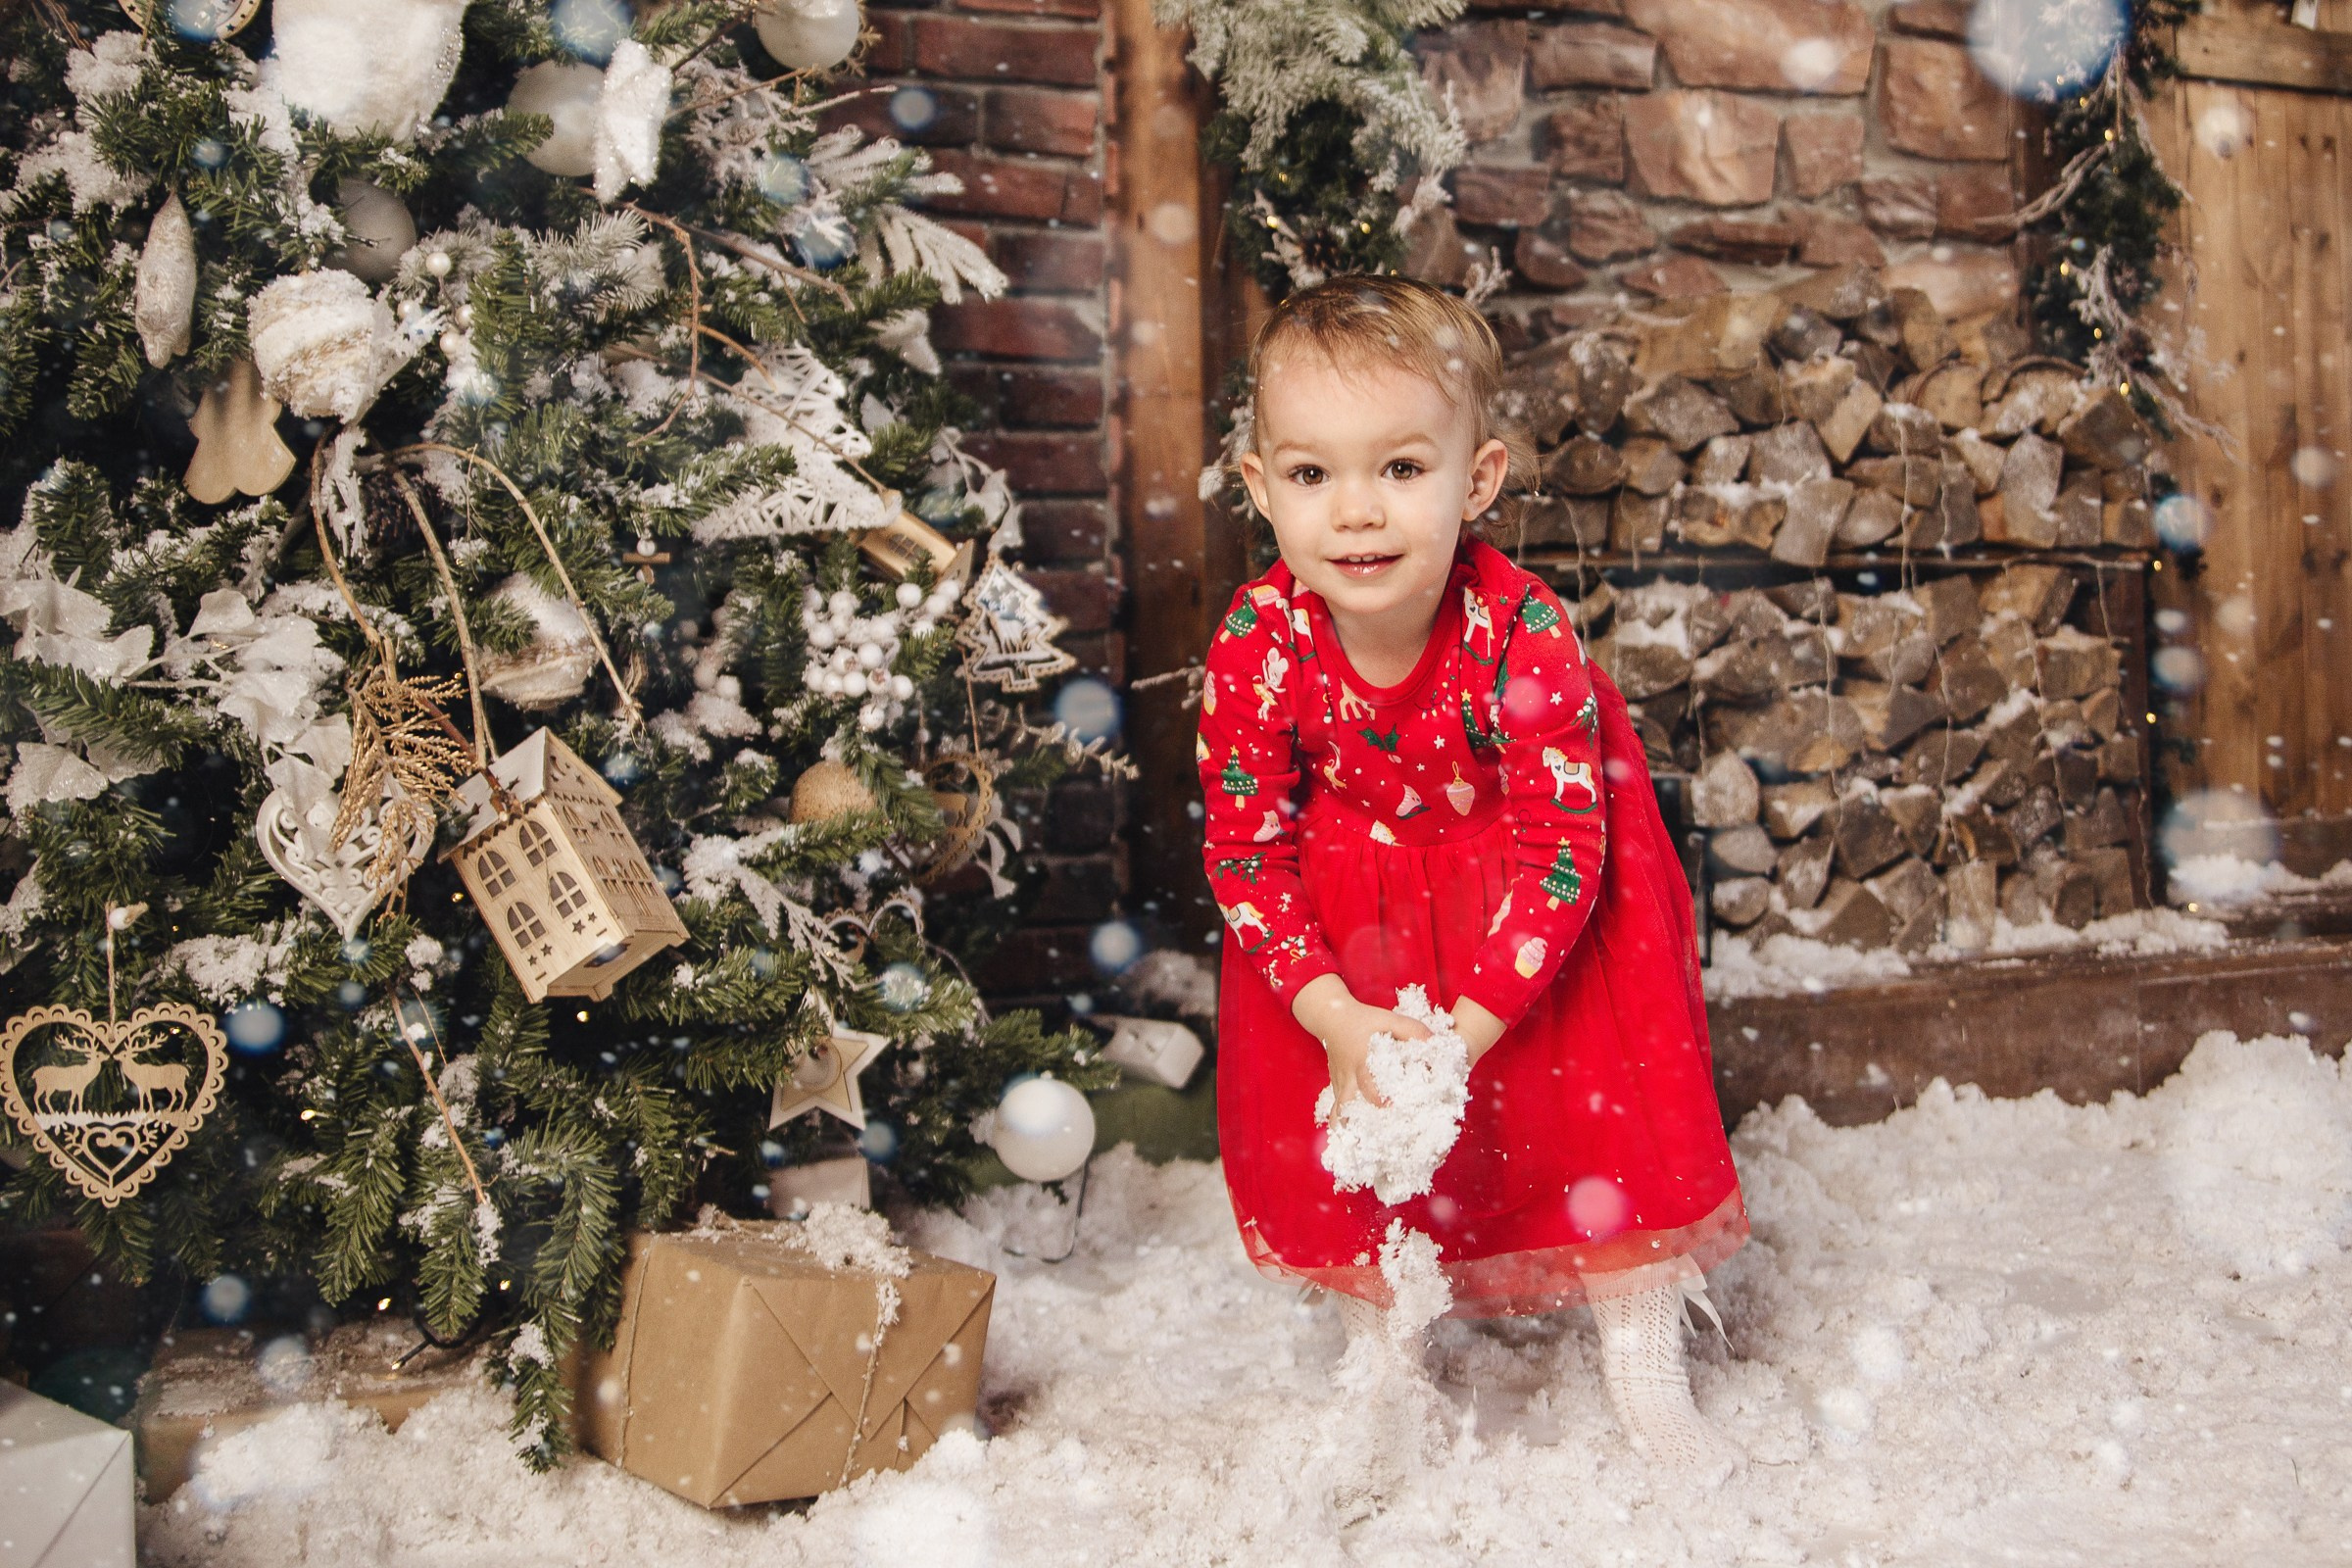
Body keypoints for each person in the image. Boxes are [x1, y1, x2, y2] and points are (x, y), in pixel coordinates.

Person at [1197, 274, 1749, 1479]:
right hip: (1360, 889)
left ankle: (1642, 1348)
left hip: (1532, 871)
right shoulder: (1256, 640)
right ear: (1260, 488)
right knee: (1340, 1102)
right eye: (1312, 475)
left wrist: (1466, 1028)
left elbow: (1564, 850)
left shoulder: (1520, 628)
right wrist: (1339, 1014)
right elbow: (1245, 848)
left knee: (1599, 1091)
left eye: (1400, 469)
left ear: (1477, 480)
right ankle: (1382, 1333)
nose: (1357, 513)